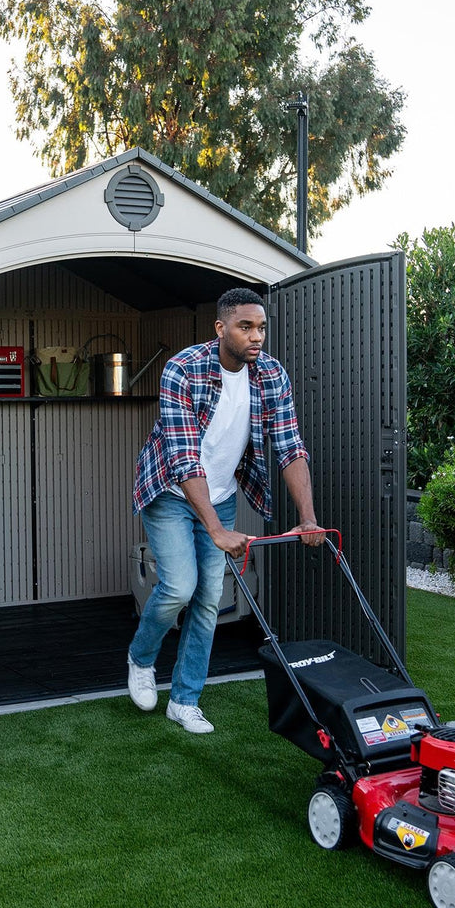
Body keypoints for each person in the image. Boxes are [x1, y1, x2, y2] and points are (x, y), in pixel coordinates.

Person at [126, 286, 324, 734]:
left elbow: (290, 448)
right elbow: (182, 460)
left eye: (262, 328)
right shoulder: (184, 369)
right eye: (246, 327)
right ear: (220, 328)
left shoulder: (271, 374)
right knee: (179, 586)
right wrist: (215, 530)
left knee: (210, 599)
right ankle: (140, 658)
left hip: (221, 494)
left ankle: (184, 699)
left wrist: (308, 517)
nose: (257, 337)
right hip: (171, 493)